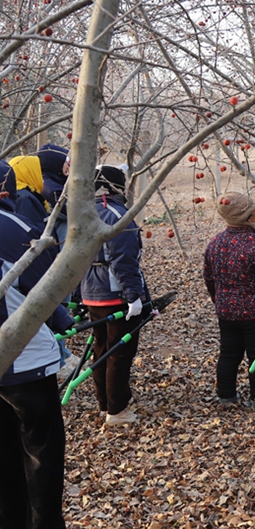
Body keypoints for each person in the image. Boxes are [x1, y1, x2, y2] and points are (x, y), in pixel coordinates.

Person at [0, 186, 89, 529]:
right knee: (41, 449)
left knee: (4, 448)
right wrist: (62, 319)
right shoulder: (13, 227)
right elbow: (49, 284)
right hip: (22, 360)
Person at [202, 191, 255, 407]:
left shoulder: (215, 243)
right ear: (247, 216)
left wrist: (219, 301)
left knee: (228, 354)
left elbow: (209, 278)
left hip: (226, 314)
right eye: (254, 211)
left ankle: (226, 396)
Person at [78, 166, 148, 426]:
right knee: (118, 353)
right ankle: (116, 410)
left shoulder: (83, 213)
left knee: (101, 349)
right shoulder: (118, 216)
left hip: (91, 292)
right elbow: (124, 260)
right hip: (114, 294)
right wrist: (134, 295)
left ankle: (105, 402)